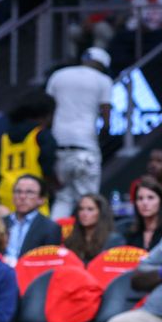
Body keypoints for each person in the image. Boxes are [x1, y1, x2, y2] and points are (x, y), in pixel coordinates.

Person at [46, 47, 113, 219]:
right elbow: (106, 118)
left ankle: (55, 243)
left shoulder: (59, 75)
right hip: (86, 147)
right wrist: (103, 137)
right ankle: (89, 245)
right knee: (89, 202)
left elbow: (48, 110)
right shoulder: (103, 80)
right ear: (102, 64)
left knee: (63, 199)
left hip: (59, 146)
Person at [0, 90, 56, 216]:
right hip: (33, 195)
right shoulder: (41, 135)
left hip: (6, 194)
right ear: (45, 115)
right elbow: (47, 167)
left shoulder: (4, 138)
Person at [3, 175, 62, 266]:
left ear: (41, 200)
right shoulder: (0, 222)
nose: (22, 196)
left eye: (29, 192)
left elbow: (49, 263)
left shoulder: (50, 228)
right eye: (18, 192)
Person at [63, 194, 125, 263]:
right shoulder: (71, 239)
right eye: (81, 209)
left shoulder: (113, 240)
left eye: (90, 209)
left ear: (101, 213)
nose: (84, 213)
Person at [125, 177, 162, 250]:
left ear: (161, 201)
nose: (145, 203)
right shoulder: (131, 234)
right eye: (140, 198)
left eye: (150, 198)